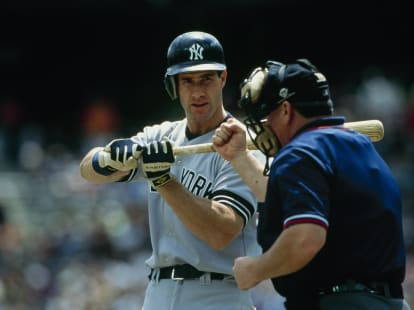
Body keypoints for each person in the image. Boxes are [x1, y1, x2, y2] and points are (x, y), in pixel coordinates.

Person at [79, 31, 284, 310]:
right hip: (157, 293)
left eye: (206, 79)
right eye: (187, 80)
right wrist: (111, 156)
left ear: (222, 78)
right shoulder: (163, 134)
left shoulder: (240, 143)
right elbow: (87, 170)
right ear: (173, 85)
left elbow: (221, 233)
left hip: (217, 293)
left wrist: (165, 181)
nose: (198, 91)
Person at [212, 58, 411, 309]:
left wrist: (255, 269)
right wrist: (240, 158)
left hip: (337, 302)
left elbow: (306, 238)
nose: (266, 125)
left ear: (286, 110)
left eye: (268, 115)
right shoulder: (358, 146)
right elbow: (286, 202)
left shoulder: (299, 153)